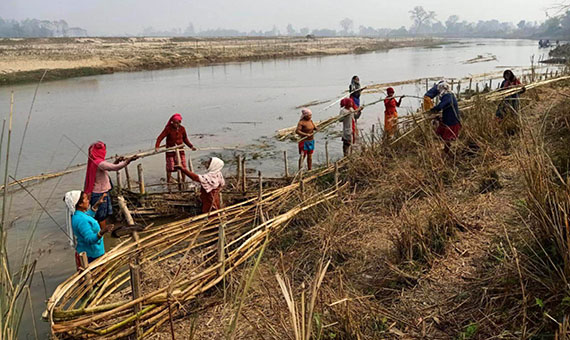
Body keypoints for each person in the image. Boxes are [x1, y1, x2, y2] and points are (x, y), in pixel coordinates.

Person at [84, 141, 138, 231]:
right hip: (100, 193)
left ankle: (102, 229)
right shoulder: (99, 163)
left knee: (103, 214)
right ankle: (102, 233)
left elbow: (110, 166)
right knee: (101, 216)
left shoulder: (95, 161)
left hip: (102, 191)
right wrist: (128, 161)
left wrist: (117, 161)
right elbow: (114, 168)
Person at [64, 190, 113, 270]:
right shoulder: (82, 221)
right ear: (80, 204)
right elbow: (90, 239)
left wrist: (97, 204)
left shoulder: (77, 215)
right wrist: (102, 231)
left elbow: (89, 215)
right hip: (92, 256)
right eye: (86, 199)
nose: (88, 201)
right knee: (99, 279)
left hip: (84, 251)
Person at [155, 113, 197, 186]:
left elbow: (185, 139)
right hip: (170, 150)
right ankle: (168, 183)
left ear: (180, 122)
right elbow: (160, 137)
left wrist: (191, 146)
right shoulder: (168, 129)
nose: (176, 124)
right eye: (174, 123)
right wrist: (157, 146)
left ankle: (183, 182)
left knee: (183, 167)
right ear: (172, 122)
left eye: (178, 123)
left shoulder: (182, 129)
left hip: (180, 150)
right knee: (170, 167)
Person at [430, 82, 461, 154]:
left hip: (452, 121)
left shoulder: (448, 96)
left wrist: (434, 109)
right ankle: (446, 150)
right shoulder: (449, 95)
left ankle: (448, 153)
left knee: (448, 138)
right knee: (440, 134)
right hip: (447, 119)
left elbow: (441, 106)